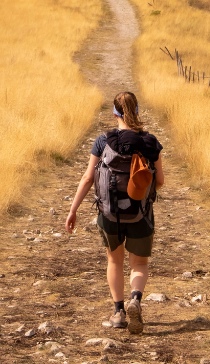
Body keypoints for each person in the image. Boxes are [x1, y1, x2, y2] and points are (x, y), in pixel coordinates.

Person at [65, 91, 164, 334]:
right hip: (141, 212)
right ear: (137, 111)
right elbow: (160, 181)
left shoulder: (102, 141)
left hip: (109, 214)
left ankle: (119, 313)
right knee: (139, 263)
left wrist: (73, 210)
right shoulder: (150, 142)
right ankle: (135, 299)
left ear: (114, 114)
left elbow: (88, 178)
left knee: (114, 261)